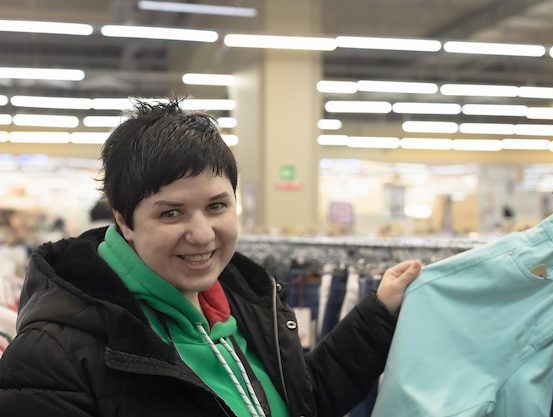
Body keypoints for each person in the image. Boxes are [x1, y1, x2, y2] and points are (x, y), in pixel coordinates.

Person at [0, 99, 422, 417]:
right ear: (124, 221)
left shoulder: (241, 304)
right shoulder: (52, 354)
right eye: (170, 213)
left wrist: (378, 312)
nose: (202, 234)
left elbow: (303, 401)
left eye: (217, 206)